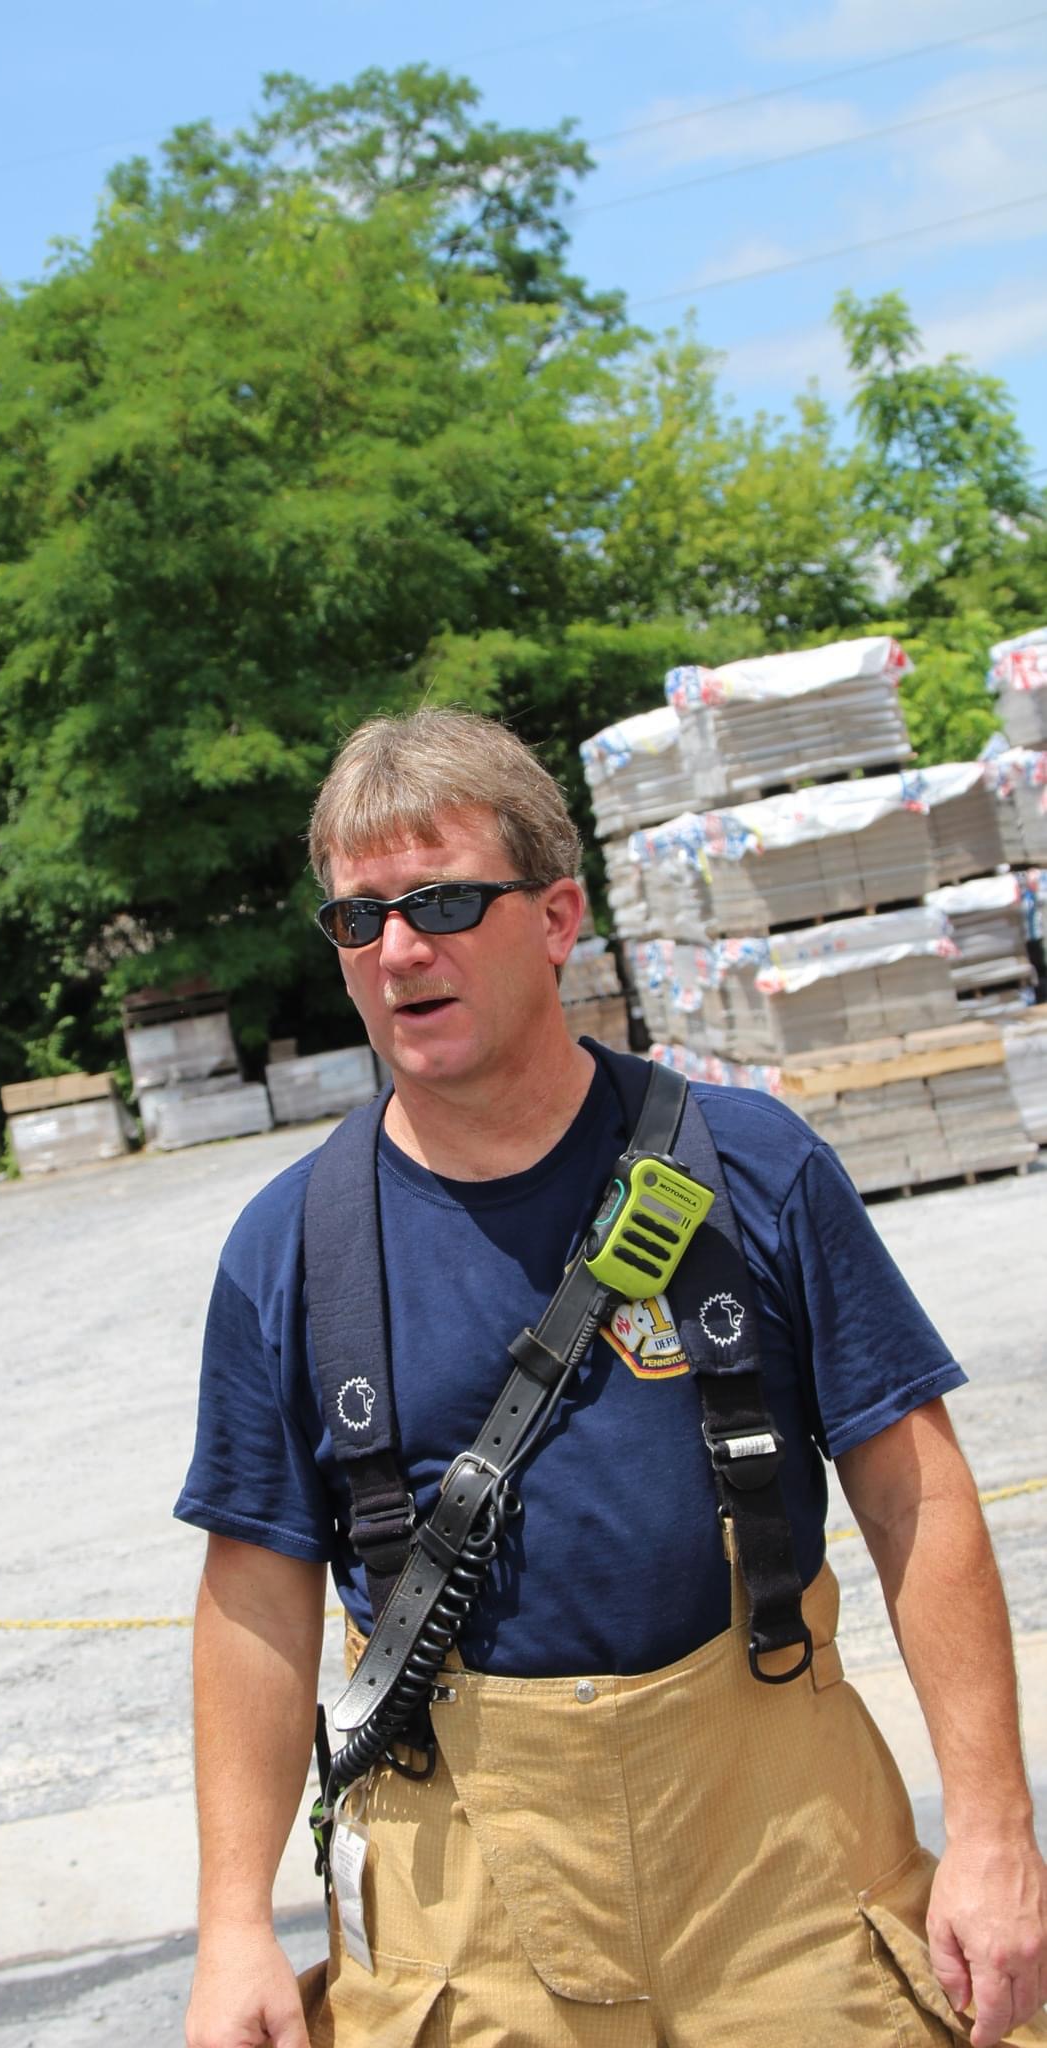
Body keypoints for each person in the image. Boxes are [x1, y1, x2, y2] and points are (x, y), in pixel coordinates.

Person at [177, 708, 1047, 2048]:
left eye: (443, 902)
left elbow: (911, 1497)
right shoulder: (290, 1250)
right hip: (465, 1918)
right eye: (359, 919)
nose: (399, 950)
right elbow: (254, 1595)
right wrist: (233, 1922)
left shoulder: (752, 1171)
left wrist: (992, 1833)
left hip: (786, 1887)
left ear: (556, 917)